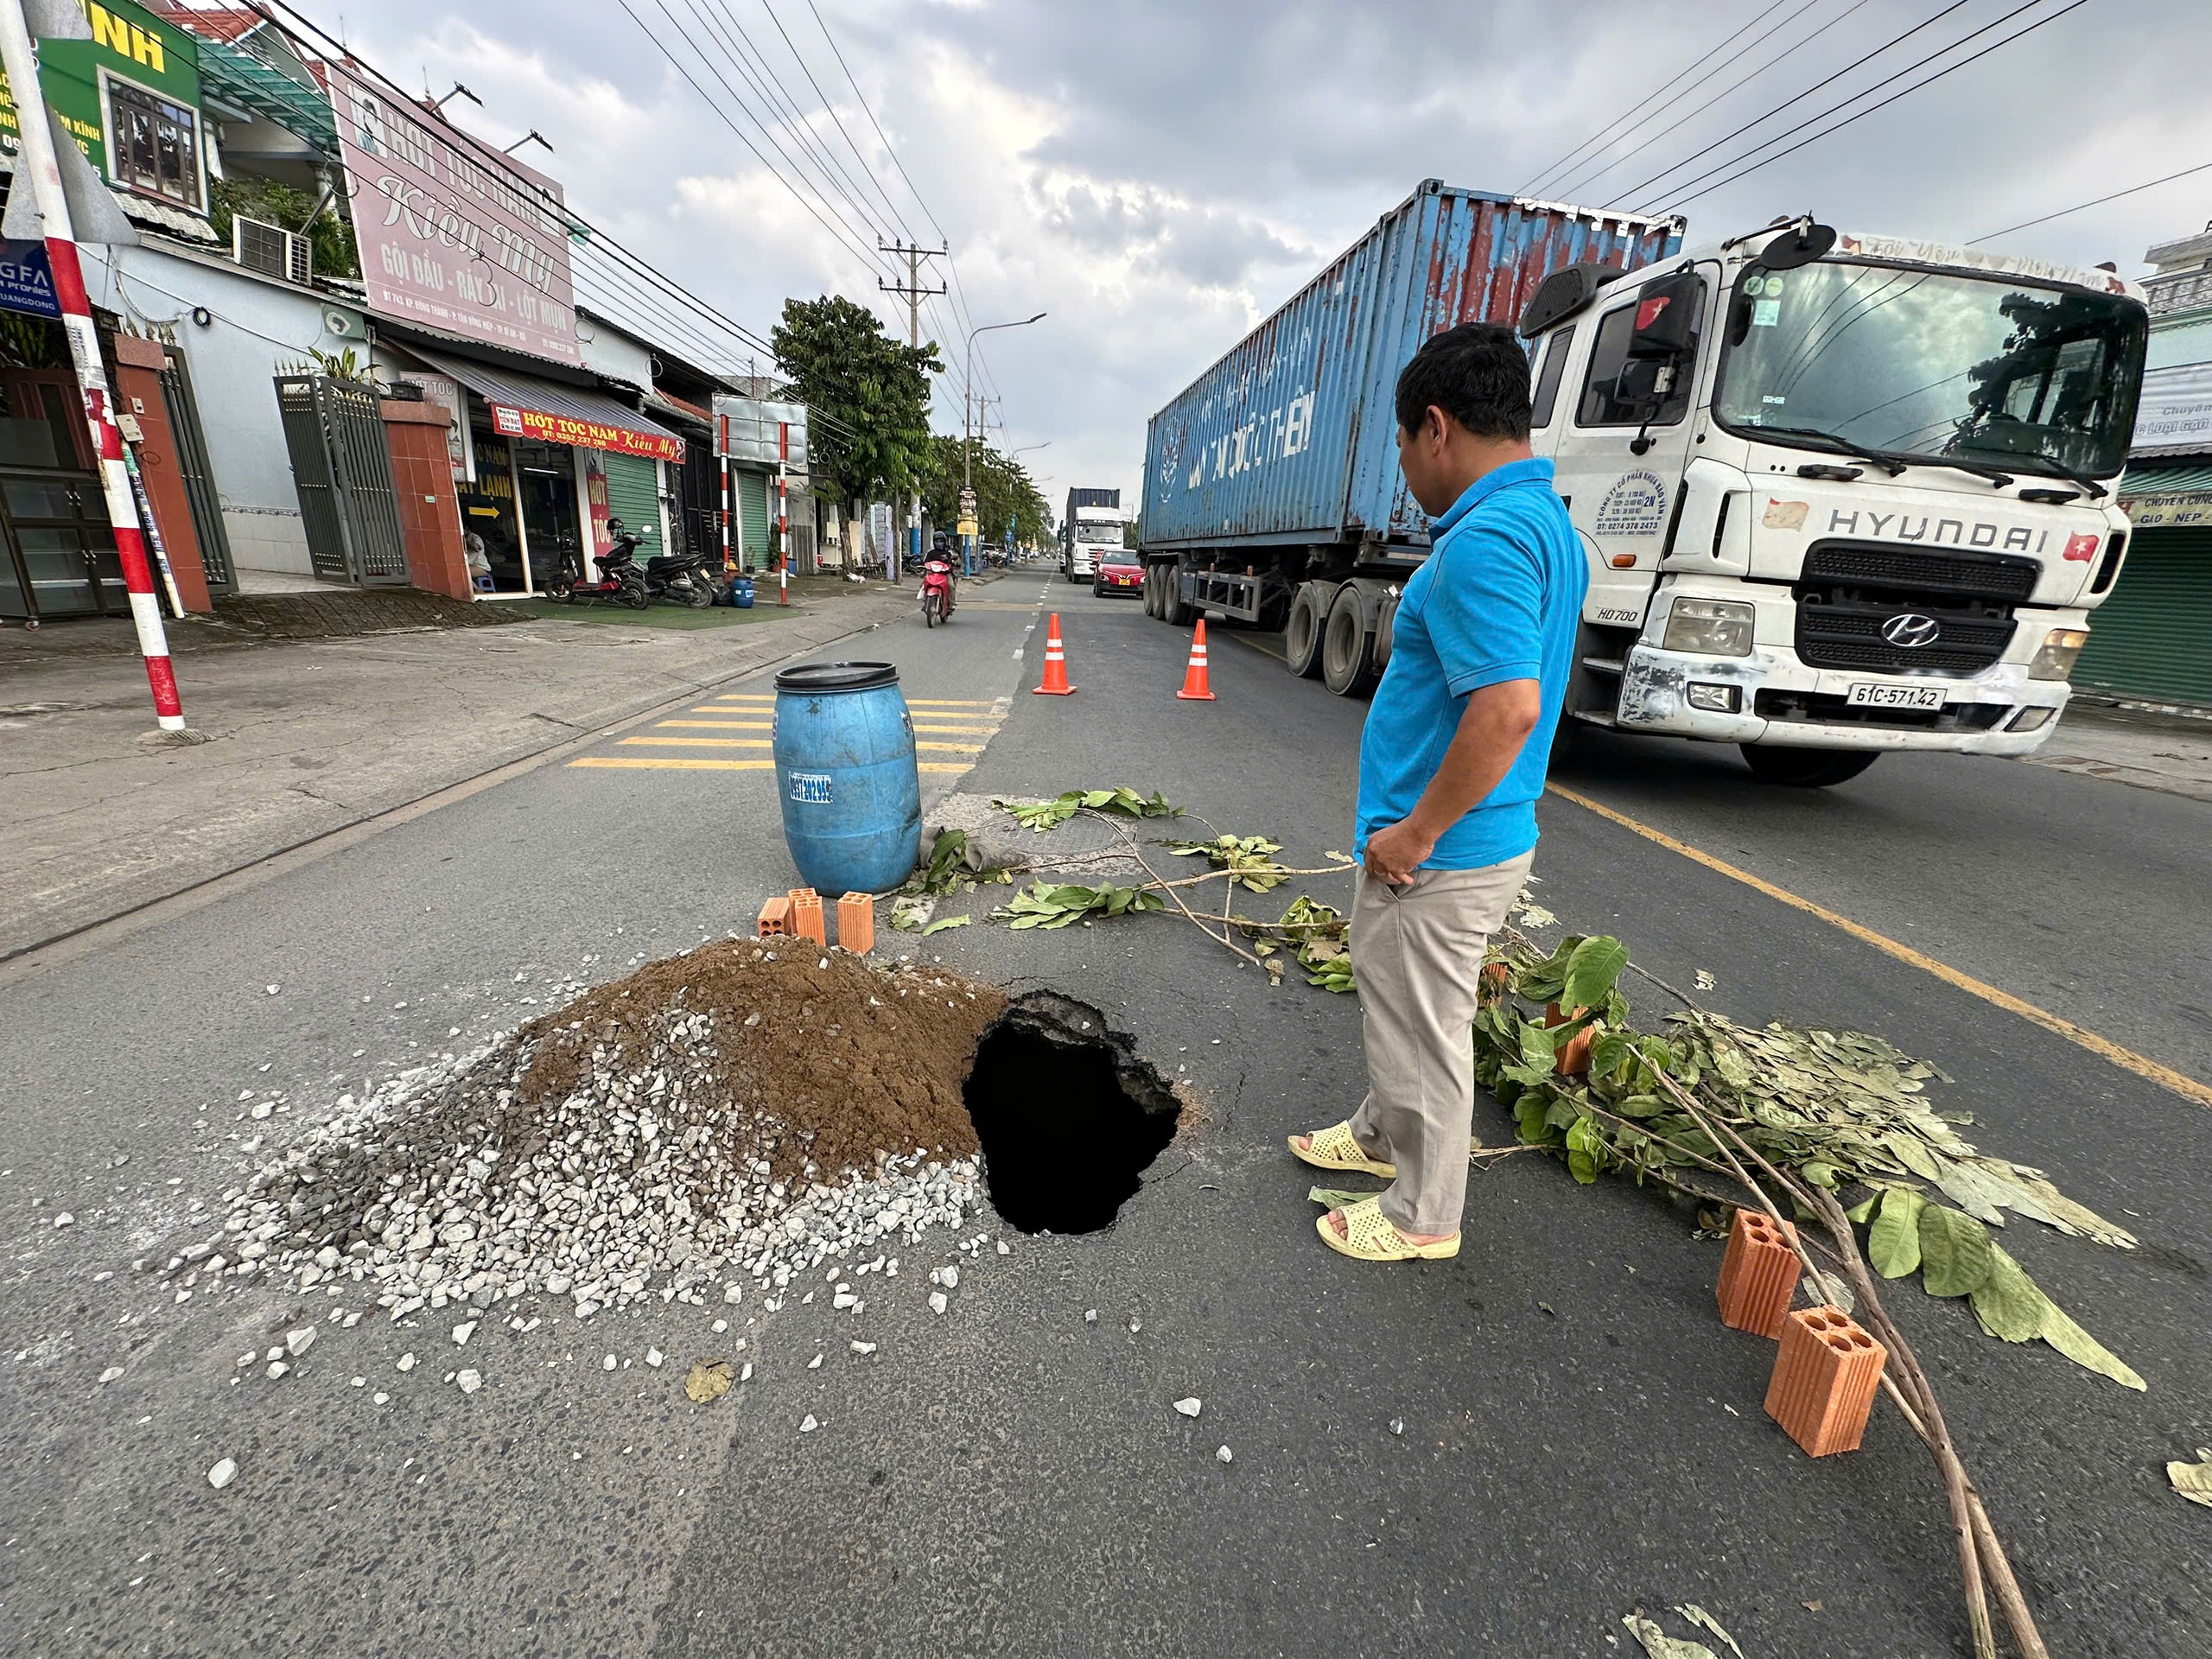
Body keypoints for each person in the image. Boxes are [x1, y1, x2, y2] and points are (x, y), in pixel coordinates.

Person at [1290, 321, 1586, 1262]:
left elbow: (1505, 708)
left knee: (1423, 1027)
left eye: (1400, 444)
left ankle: (1423, 1217)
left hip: (1444, 850)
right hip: (1481, 833)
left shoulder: (1482, 545)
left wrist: (1415, 834)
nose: (1404, 467)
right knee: (1403, 1005)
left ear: (1434, 428)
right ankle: (1381, 1139)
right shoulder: (1547, 526)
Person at [925, 530, 957, 617]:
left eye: (941, 541)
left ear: (944, 542)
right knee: (923, 584)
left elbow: (954, 562)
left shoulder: (948, 553)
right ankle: (926, 600)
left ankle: (951, 604)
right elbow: (926, 562)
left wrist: (953, 564)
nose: (939, 543)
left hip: (945, 574)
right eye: (937, 541)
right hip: (933, 574)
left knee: (951, 585)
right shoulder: (931, 553)